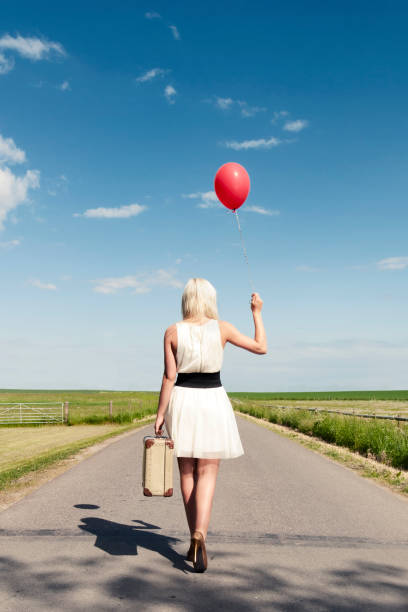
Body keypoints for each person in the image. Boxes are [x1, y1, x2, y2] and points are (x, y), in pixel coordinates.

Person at [154, 277, 267, 572]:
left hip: (183, 400)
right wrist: (256, 312)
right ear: (210, 300)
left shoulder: (172, 332)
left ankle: (194, 535)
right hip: (213, 400)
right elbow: (260, 347)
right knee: (208, 472)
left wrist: (159, 414)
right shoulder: (223, 328)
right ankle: (200, 534)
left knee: (187, 472)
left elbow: (169, 377)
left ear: (186, 301)